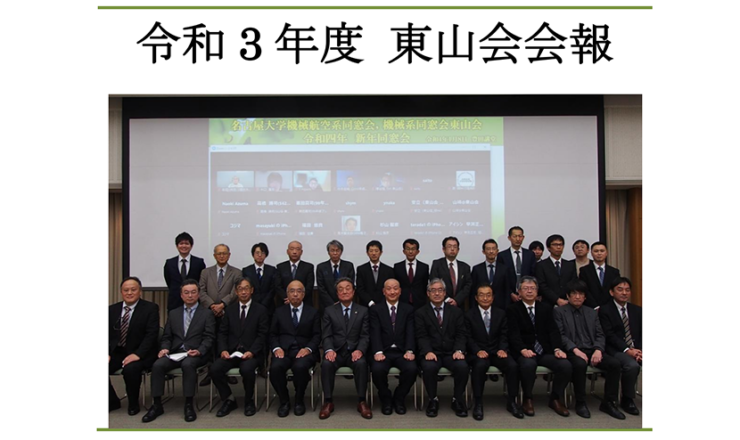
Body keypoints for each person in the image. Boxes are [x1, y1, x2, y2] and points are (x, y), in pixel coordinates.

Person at [142, 279, 216, 423]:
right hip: (175, 353)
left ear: (198, 294)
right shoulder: (174, 313)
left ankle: (188, 404)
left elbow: (209, 337)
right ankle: (156, 404)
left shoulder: (207, 314)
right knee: (157, 365)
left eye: (193, 292)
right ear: (181, 295)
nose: (190, 295)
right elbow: (167, 336)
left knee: (188, 365)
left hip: (196, 354)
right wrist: (164, 348)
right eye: (186, 293)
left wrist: (199, 351)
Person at [553, 280, 625, 420]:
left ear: (585, 297)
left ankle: (609, 402)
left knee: (614, 364)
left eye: (581, 294)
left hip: (592, 349)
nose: (577, 297)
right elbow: (560, 335)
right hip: (572, 351)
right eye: (574, 294)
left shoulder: (592, 312)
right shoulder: (559, 312)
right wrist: (575, 349)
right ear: (567, 296)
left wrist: (598, 349)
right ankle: (580, 402)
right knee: (580, 364)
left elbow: (600, 334)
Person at [506, 276, 571, 417]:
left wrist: (557, 349)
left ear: (537, 291)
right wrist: (522, 349)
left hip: (544, 350)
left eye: (532, 288)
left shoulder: (546, 308)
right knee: (528, 365)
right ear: (519, 292)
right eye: (525, 288)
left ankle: (555, 398)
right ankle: (527, 398)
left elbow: (553, 331)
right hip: (524, 351)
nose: (529, 291)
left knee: (565, 365)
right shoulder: (512, 309)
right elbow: (513, 334)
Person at [211, 278, 269, 418]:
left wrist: (252, 351)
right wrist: (223, 350)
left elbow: (262, 335)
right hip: (231, 352)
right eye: (240, 289)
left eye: (246, 288)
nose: (243, 292)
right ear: (236, 292)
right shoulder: (229, 310)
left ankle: (249, 401)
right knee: (214, 369)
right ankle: (229, 399)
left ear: (252, 290)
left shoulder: (261, 310)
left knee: (247, 369)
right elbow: (222, 333)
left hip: (251, 353)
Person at [465, 284, 522, 420]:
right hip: (478, 352)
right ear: (476, 298)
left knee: (512, 366)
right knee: (479, 366)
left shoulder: (501, 313)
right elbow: (467, 337)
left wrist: (502, 348)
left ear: (493, 297)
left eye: (488, 295)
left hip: (497, 351)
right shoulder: (469, 315)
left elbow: (504, 334)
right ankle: (478, 403)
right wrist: (477, 351)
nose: (485, 298)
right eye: (481, 295)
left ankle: (512, 401)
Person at [319, 278, 372, 420]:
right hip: (336, 352)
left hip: (354, 352)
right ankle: (328, 402)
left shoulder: (363, 311)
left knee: (361, 363)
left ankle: (362, 401)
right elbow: (326, 335)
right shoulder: (329, 311)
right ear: (337, 293)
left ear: (353, 292)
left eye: (348, 288)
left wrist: (360, 350)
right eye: (340, 289)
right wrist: (329, 350)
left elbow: (365, 335)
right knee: (326, 364)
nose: (344, 291)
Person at [416, 278, 469, 418]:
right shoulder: (421, 313)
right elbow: (421, 335)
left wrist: (459, 350)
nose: (437, 293)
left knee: (462, 366)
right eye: (433, 290)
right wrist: (427, 351)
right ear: (428, 293)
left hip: (451, 352)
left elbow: (461, 334)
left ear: (445, 293)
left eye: (440, 290)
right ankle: (433, 399)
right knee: (429, 367)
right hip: (432, 352)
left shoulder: (456, 312)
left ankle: (457, 399)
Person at [269, 280, 321, 417]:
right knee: (275, 368)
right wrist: (276, 348)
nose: (295, 294)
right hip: (284, 351)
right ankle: (284, 400)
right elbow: (272, 334)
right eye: (292, 291)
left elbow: (317, 335)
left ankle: (299, 400)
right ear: (287, 294)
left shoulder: (313, 312)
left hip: (304, 351)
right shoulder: (279, 312)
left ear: (304, 294)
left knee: (300, 367)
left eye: (299, 291)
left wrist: (308, 349)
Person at [109, 277, 159, 415]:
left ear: (140, 291)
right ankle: (112, 401)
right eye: (126, 290)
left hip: (141, 352)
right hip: (118, 351)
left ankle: (133, 403)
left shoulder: (150, 308)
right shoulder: (112, 310)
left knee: (130, 369)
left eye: (133, 289)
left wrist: (137, 354)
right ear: (121, 292)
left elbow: (151, 335)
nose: (129, 293)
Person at [369, 279, 417, 415]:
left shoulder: (408, 309)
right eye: (389, 289)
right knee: (377, 369)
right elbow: (374, 332)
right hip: (383, 351)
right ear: (384, 292)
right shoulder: (375, 309)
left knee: (412, 369)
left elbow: (410, 332)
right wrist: (378, 351)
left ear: (400, 291)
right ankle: (386, 398)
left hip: (402, 351)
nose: (392, 292)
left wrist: (409, 350)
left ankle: (399, 397)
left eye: (395, 288)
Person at [598, 277, 641, 416]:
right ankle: (627, 399)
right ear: (612, 292)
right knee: (632, 366)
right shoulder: (605, 310)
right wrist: (628, 350)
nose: (624, 293)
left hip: (636, 349)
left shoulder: (637, 310)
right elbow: (609, 335)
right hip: (616, 350)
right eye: (620, 289)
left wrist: (639, 351)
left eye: (627, 290)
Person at [164, 232, 206, 311]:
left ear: (191, 246)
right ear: (177, 246)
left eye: (186, 243)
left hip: (194, 300)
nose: (184, 246)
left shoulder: (199, 262)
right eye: (181, 243)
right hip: (174, 301)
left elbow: (201, 281)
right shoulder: (169, 263)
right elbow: (168, 280)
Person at [471, 238, 516, 310]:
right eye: (488, 249)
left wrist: (507, 308)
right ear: (483, 251)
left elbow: (507, 291)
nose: (491, 251)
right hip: (481, 307)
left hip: (500, 307)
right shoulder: (477, 269)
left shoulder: (504, 269)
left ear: (497, 251)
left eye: (493, 249)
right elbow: (473, 291)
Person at [199, 244, 241, 318]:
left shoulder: (237, 272)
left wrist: (222, 305)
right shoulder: (205, 272)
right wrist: (212, 305)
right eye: (219, 254)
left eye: (224, 253)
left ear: (229, 255)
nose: (222, 256)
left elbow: (235, 292)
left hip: (228, 312)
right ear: (214, 256)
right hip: (208, 312)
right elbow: (201, 291)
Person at [535, 234, 577, 307]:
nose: (558, 247)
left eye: (560, 244)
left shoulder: (570, 265)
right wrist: (557, 299)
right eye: (555, 244)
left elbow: (573, 283)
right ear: (548, 248)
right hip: (547, 304)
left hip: (568, 303)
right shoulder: (541, 265)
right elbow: (542, 285)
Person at [430, 236, 472, 307]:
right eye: (449, 246)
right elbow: (433, 282)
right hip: (441, 303)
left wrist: (457, 300)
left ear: (458, 250)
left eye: (455, 247)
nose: (452, 249)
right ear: (443, 249)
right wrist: (447, 299)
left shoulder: (465, 267)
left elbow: (468, 285)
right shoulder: (437, 264)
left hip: (459, 305)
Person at [242, 242, 281, 315]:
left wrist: (265, 303)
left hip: (269, 306)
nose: (260, 255)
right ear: (253, 255)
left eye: (262, 253)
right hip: (252, 305)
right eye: (257, 253)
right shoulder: (246, 270)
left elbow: (273, 288)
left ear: (266, 255)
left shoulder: (272, 270)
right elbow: (247, 288)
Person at [579, 241, 621, 308]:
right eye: (596, 251)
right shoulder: (584, 271)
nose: (599, 253)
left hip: (610, 307)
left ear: (606, 253)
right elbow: (584, 289)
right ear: (591, 253)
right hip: (590, 307)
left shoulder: (614, 272)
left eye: (602, 251)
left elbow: (615, 290)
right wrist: (595, 306)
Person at [316, 240, 356, 311]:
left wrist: (341, 302)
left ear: (341, 252)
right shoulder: (321, 267)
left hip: (345, 304)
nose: (335, 253)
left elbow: (350, 285)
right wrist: (332, 304)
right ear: (328, 252)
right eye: (332, 250)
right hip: (326, 305)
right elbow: (321, 288)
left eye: (337, 250)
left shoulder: (348, 266)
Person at [498, 227, 537, 294]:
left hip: (527, 292)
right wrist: (511, 293)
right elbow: (501, 277)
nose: (518, 239)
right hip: (508, 293)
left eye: (520, 236)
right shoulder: (502, 255)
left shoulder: (530, 254)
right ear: (509, 238)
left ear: (523, 237)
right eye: (514, 236)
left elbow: (533, 274)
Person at [393, 238, 430, 309]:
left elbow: (425, 285)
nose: (410, 251)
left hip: (420, 302)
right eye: (408, 249)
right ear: (404, 251)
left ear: (418, 251)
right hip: (402, 301)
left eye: (413, 249)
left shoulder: (424, 267)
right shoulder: (397, 267)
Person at [356, 240, 394, 307]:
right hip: (366, 305)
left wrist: (383, 302)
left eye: (376, 251)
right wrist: (370, 302)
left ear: (381, 252)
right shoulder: (361, 269)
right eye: (371, 251)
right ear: (367, 253)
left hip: (384, 305)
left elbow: (390, 288)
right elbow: (360, 289)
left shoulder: (389, 270)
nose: (374, 253)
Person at [276, 241, 315, 306]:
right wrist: (289, 298)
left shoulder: (308, 267)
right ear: (287, 251)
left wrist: (298, 298)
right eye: (292, 249)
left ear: (301, 252)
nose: (294, 252)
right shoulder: (280, 267)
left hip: (304, 303)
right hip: (285, 303)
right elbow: (278, 286)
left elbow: (309, 286)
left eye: (297, 249)